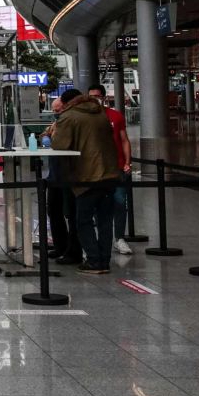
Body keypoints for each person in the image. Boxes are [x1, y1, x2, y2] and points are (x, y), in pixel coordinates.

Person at [51, 88, 122, 274]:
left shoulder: (70, 116)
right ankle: (104, 260)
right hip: (109, 174)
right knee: (105, 220)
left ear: (66, 103)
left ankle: (93, 260)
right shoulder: (100, 113)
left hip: (86, 175)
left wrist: (51, 134)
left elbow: (59, 145)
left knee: (83, 220)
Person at [89, 83, 134, 255]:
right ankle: (100, 238)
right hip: (95, 169)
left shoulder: (115, 116)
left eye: (97, 96)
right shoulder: (85, 118)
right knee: (95, 204)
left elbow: (124, 140)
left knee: (120, 202)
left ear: (103, 97)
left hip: (117, 168)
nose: (94, 100)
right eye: (91, 97)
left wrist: (127, 162)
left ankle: (120, 238)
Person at [43, 96, 79, 263]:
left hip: (68, 175)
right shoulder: (56, 123)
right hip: (54, 175)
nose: (55, 113)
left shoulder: (70, 122)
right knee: (53, 211)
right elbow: (45, 133)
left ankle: (72, 250)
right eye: (53, 110)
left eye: (58, 110)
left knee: (70, 214)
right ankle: (60, 246)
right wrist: (45, 137)